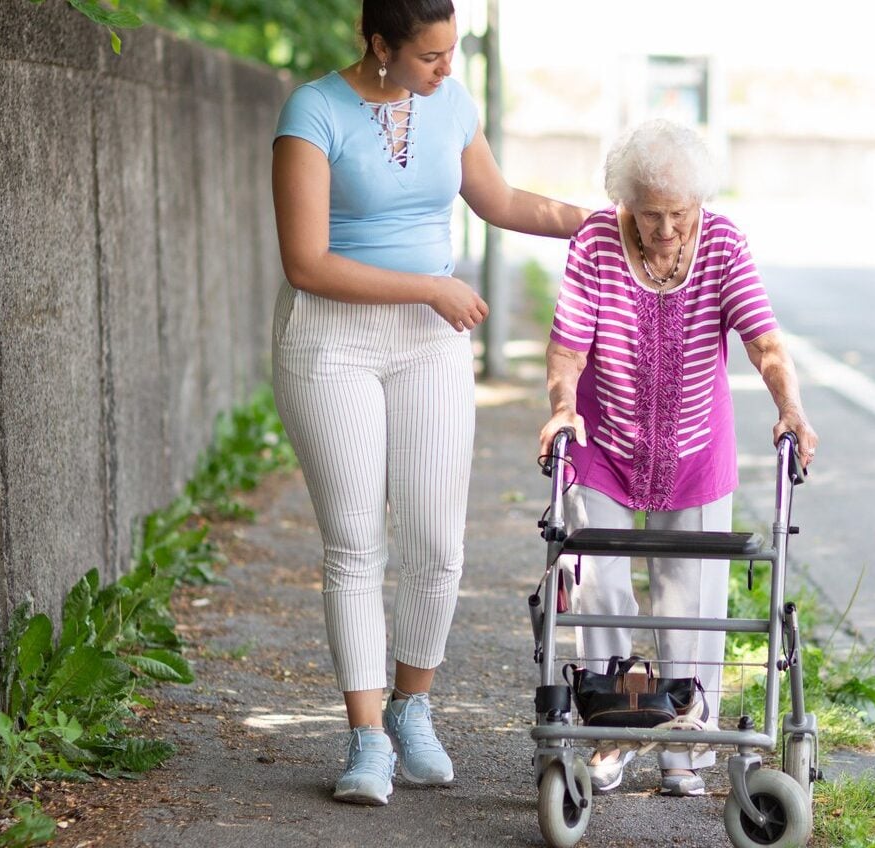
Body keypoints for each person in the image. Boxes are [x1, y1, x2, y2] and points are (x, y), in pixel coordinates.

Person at [270, 0, 588, 806]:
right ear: (380, 44)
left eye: (452, 53)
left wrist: (606, 224)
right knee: (353, 543)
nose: (447, 69)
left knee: (438, 538)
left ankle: (414, 708)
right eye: (429, 56)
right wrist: (431, 287)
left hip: (430, 342)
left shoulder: (449, 103)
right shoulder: (313, 111)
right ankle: (366, 737)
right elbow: (306, 261)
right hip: (332, 341)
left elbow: (503, 201)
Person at [537, 119, 818, 797]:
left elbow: (762, 339)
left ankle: (682, 742)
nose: (666, 230)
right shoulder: (596, 242)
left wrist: (791, 407)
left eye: (680, 215)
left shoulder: (721, 243)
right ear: (627, 203)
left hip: (695, 444)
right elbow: (569, 348)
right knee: (596, 580)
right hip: (605, 440)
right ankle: (609, 728)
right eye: (651, 215)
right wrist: (561, 406)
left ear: (699, 206)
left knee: (690, 596)